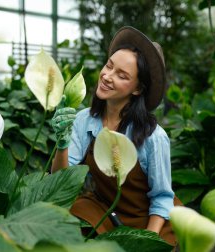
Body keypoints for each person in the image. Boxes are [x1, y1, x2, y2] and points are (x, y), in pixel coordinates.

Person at [51, 26, 180, 245]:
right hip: (105, 211)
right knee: (62, 216)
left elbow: (161, 198)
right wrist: (62, 143)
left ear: (137, 89)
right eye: (109, 66)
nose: (107, 76)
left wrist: (146, 242)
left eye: (121, 75)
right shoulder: (84, 120)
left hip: (149, 219)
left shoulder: (154, 137)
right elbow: (60, 181)